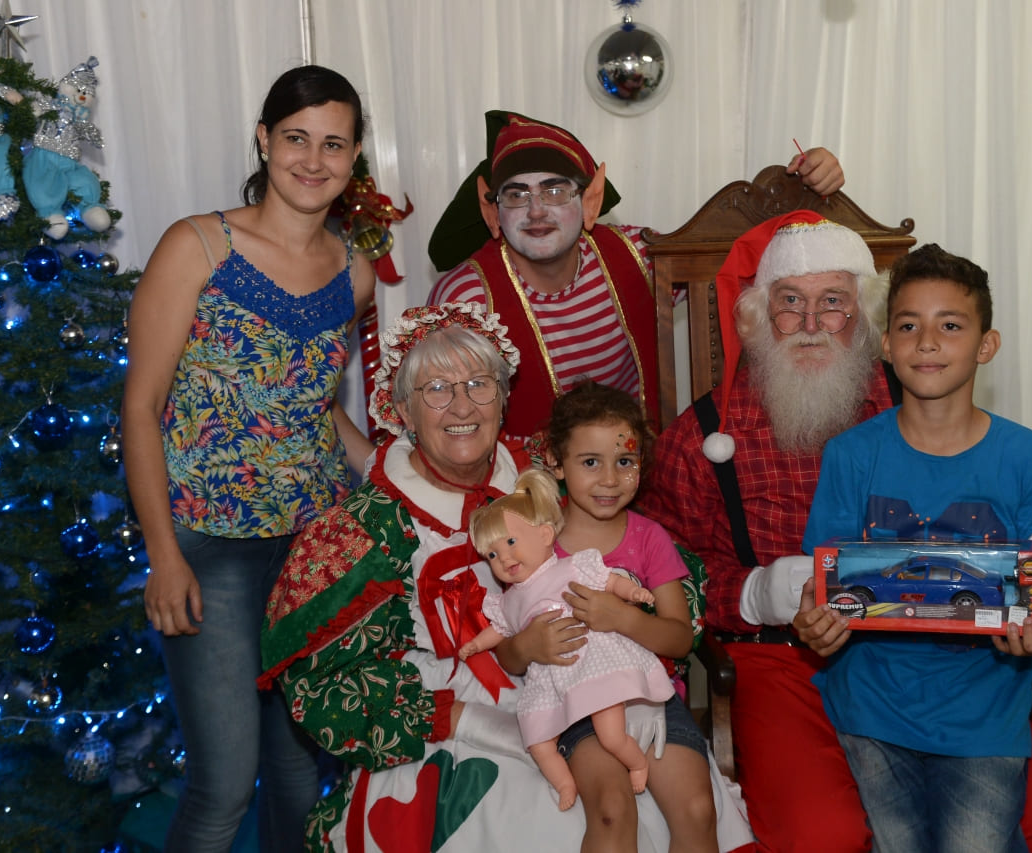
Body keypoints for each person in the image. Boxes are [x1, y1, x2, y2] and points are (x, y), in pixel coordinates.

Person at [634, 210, 1032, 852]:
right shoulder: (704, 435)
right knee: (823, 836)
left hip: (951, 665)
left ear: (868, 322)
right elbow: (652, 569)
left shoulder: (919, 392)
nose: (811, 322)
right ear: (760, 316)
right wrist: (751, 591)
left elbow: (1001, 515)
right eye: (789, 303)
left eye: (833, 303)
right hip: (778, 657)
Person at [258, 303, 747, 852]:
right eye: (436, 389)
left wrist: (639, 676)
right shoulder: (365, 530)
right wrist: (460, 717)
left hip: (589, 689)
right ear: (402, 412)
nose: (462, 405)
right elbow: (325, 683)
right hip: (449, 725)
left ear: (503, 398)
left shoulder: (547, 472)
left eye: (479, 384)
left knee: (673, 809)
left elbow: (655, 570)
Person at [122, 65, 376, 852]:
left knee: (301, 775)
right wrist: (163, 554)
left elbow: (315, 402)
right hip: (210, 545)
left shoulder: (355, 272)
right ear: (265, 140)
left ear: (354, 156)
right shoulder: (197, 246)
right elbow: (140, 407)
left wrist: (394, 476)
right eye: (297, 138)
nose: (313, 159)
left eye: (333, 143)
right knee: (224, 784)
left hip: (313, 547)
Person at [791, 242, 1032, 852]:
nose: (926, 342)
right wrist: (813, 622)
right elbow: (823, 583)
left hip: (985, 713)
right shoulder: (850, 454)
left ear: (986, 345)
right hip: (871, 707)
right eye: (908, 326)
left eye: (950, 326)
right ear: (885, 345)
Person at [427, 110, 844, 436]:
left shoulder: (639, 254)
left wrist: (810, 187)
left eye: (555, 191)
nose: (536, 211)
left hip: (634, 480)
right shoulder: (466, 300)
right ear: (493, 212)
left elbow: (757, 259)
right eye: (517, 195)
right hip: (524, 496)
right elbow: (445, 420)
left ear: (590, 201)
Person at [546, 379, 735, 853]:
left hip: (653, 698)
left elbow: (679, 639)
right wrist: (530, 645)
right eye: (591, 462)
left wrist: (623, 618)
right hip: (578, 704)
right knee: (612, 808)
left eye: (625, 461)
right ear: (556, 463)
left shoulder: (649, 538)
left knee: (698, 809)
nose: (610, 479)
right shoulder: (538, 540)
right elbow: (509, 644)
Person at [461, 468, 674, 809]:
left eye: (511, 543)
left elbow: (608, 581)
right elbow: (500, 630)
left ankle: (637, 763)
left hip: (589, 662)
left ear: (545, 534)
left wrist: (632, 592)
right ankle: (564, 784)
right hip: (550, 677)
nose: (504, 559)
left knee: (611, 736)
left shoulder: (571, 567)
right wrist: (476, 644)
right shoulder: (509, 601)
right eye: (493, 555)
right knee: (537, 739)